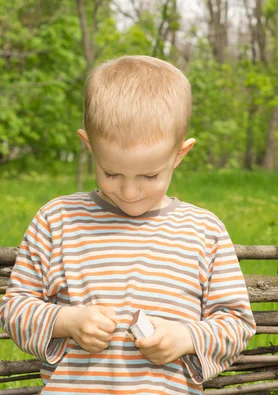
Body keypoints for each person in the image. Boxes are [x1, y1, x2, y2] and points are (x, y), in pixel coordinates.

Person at [0, 55, 256, 394]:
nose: (130, 192)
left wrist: (185, 338)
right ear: (89, 146)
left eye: (149, 175)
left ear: (180, 154)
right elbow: (15, 309)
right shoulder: (57, 221)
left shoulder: (204, 232)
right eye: (111, 173)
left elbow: (237, 325)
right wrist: (67, 322)